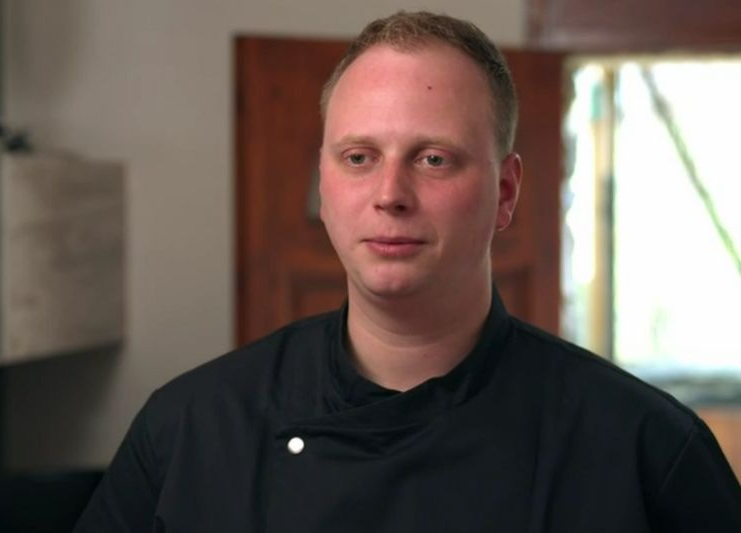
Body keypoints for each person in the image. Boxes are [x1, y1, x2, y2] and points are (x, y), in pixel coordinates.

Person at [75, 11, 741, 532]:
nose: (389, 193)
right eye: (359, 157)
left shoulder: (646, 450)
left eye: (433, 159)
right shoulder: (190, 428)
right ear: (324, 185)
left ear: (506, 192)